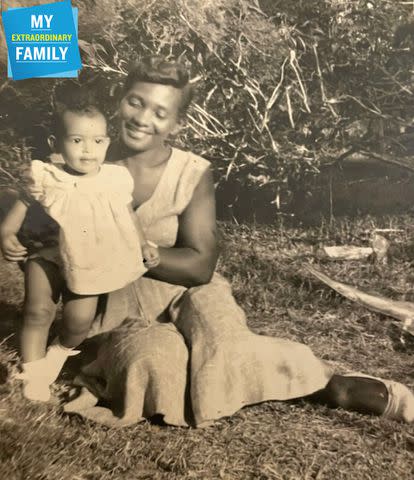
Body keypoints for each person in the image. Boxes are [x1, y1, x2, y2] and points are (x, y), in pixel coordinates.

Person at [60, 57, 413, 427]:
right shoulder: (83, 157)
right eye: (136, 101)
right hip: (120, 308)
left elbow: (199, 266)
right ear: (119, 100)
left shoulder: (190, 172)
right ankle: (259, 382)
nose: (142, 118)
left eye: (160, 112)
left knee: (224, 341)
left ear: (177, 124)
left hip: (190, 292)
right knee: (151, 365)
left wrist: (125, 247)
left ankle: (330, 385)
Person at [0, 84, 160, 402]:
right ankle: (34, 374)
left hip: (87, 260)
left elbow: (128, 215)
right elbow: (21, 204)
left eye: (97, 141)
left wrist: (143, 244)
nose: (88, 150)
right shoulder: (46, 176)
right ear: (55, 143)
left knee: (78, 320)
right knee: (38, 311)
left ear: (108, 142)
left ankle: (57, 355)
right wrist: (6, 233)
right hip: (46, 253)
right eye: (77, 140)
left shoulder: (113, 179)